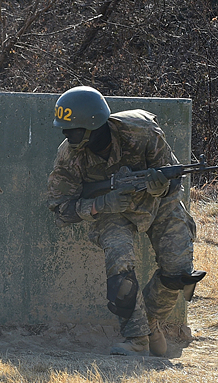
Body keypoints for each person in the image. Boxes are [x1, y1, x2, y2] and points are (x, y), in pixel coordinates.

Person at [46, 86, 204, 356]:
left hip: (158, 204)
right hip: (113, 214)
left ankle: (151, 323)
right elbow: (60, 208)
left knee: (179, 271)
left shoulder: (141, 131)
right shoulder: (70, 154)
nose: (66, 135)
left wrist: (158, 188)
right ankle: (137, 339)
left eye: (72, 129)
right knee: (120, 266)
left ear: (93, 125)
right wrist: (100, 204)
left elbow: (173, 179)